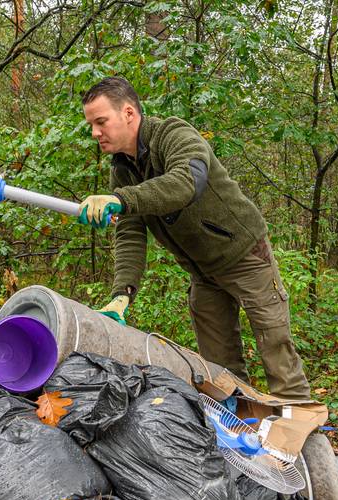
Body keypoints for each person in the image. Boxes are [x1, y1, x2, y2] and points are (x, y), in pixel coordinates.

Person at [78, 77, 310, 399]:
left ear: (129, 113)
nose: (95, 133)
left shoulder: (174, 135)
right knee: (220, 371)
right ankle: (241, 431)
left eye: (101, 122)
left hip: (244, 256)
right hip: (202, 272)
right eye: (91, 124)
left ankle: (301, 436)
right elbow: (130, 231)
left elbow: (185, 183)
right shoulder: (122, 168)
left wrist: (121, 199)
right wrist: (123, 293)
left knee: (277, 352)